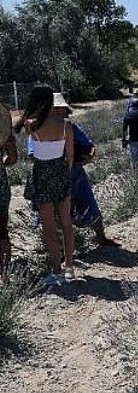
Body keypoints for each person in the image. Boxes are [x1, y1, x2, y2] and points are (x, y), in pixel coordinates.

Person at [27, 94, 120, 248]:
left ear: (66, 111)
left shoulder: (72, 127)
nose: (58, 112)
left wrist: (89, 156)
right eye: (54, 109)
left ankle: (101, 238)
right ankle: (57, 250)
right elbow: (32, 154)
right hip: (51, 178)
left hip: (76, 175)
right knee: (53, 215)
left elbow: (90, 145)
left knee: (90, 206)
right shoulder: (39, 129)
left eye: (61, 109)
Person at [15, 86, 74, 285]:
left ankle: (56, 271)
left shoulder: (32, 125)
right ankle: (70, 267)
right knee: (66, 224)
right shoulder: (66, 124)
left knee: (49, 227)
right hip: (61, 171)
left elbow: (21, 124)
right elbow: (70, 158)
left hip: (42, 173)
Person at [0, 103, 17, 268]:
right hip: (1, 187)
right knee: (2, 230)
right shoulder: (4, 133)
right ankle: (4, 271)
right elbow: (12, 160)